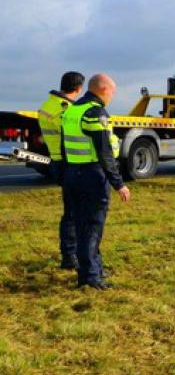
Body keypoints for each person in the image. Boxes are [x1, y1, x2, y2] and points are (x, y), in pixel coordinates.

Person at [61, 73, 131, 290]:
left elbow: (65, 147)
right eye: (112, 92)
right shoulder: (94, 113)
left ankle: (91, 269)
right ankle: (91, 276)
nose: (112, 96)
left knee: (81, 225)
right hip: (92, 175)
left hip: (73, 173)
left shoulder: (71, 110)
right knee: (92, 226)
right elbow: (104, 152)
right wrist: (119, 183)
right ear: (103, 90)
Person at [38, 71, 85, 270]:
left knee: (70, 211)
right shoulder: (68, 110)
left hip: (56, 162)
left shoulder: (46, 106)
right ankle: (71, 256)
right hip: (70, 163)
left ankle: (69, 254)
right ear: (78, 88)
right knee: (76, 214)